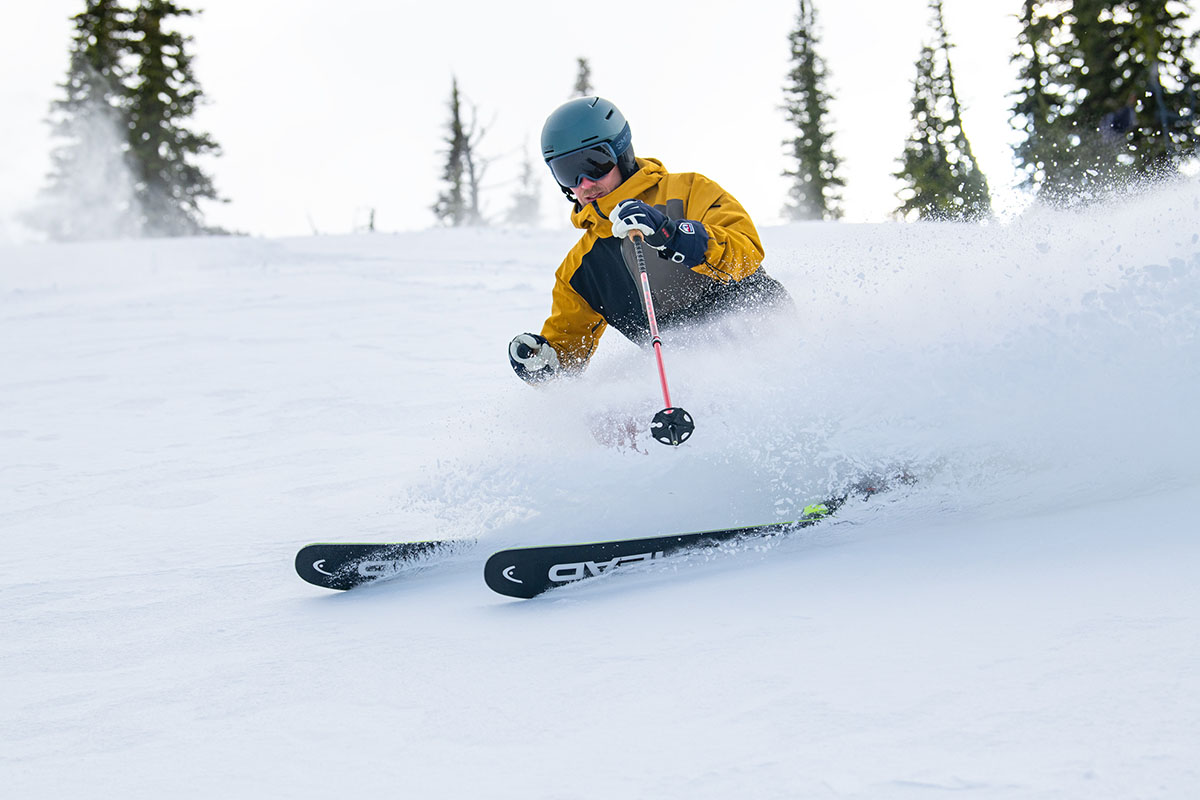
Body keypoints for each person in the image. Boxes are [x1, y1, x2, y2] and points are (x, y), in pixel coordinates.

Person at [509, 96, 792, 384]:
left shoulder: (688, 191)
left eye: (595, 164)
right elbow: (567, 354)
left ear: (622, 154)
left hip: (771, 346)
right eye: (567, 172)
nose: (584, 183)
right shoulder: (580, 270)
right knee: (612, 417)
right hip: (692, 383)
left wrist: (674, 234)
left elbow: (746, 253)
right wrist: (543, 364)